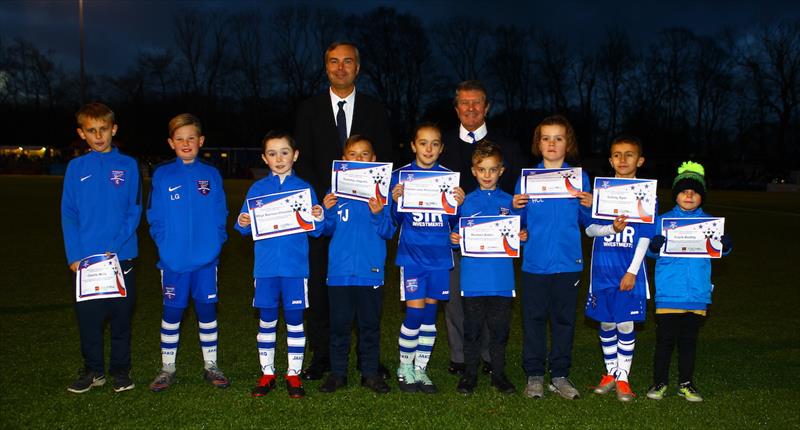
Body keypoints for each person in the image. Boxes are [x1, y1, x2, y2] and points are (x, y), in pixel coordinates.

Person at [294, 41, 393, 381]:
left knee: (366, 294)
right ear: (326, 67)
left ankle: (369, 360)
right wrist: (322, 200)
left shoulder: (376, 109)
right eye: (334, 62)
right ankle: (322, 356)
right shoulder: (308, 109)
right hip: (326, 210)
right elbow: (302, 160)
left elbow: (383, 160)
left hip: (365, 214)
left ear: (357, 67)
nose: (340, 67)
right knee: (321, 289)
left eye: (347, 61)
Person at [439, 80, 524, 376]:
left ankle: (490, 357)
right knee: (455, 299)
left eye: (477, 102)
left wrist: (517, 227)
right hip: (455, 236)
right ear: (456, 108)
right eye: (464, 102)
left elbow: (517, 195)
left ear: (487, 107)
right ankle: (460, 356)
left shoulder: (508, 146)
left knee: (491, 301)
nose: (471, 108)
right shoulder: (443, 144)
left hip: (496, 243)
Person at [235, 131, 325, 399]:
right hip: (265, 269)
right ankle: (267, 372)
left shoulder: (305, 189)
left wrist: (319, 217)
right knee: (267, 321)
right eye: (272, 153)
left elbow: (317, 231)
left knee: (295, 321)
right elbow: (242, 227)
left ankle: (294, 374)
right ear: (264, 158)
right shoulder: (257, 189)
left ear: (295, 155)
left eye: (284, 152)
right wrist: (242, 223)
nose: (279, 158)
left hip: (295, 270)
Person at [146, 114, 229, 392]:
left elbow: (221, 213)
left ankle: (211, 365)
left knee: (207, 312)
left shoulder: (211, 174)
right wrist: (165, 244)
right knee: (173, 312)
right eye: (179, 138)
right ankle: (167, 367)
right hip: (174, 261)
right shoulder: (162, 174)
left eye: (191, 137)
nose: (186, 143)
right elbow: (154, 216)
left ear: (201, 141)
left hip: (206, 261)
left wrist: (216, 243)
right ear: (171, 143)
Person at [61, 102, 140, 393]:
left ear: (113, 129)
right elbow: (68, 213)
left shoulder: (129, 165)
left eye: (103, 129)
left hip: (121, 257)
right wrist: (74, 256)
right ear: (82, 133)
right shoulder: (75, 167)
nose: (98, 135)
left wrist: (114, 247)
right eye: (91, 130)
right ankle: (93, 370)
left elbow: (134, 210)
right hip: (86, 262)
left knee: (121, 318)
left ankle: (121, 370)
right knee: (89, 321)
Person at [512, 115, 593, 400]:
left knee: (564, 321)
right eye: (546, 137)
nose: (552, 143)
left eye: (558, 138)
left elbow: (588, 222)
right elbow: (517, 224)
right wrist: (516, 210)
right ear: (538, 143)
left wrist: (589, 204)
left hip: (568, 263)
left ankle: (560, 375)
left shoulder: (579, 178)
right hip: (534, 263)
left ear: (567, 143)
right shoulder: (526, 179)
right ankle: (534, 375)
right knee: (533, 320)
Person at [645, 161, 732, 402]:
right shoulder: (662, 221)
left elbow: (720, 252)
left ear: (702, 197)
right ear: (676, 195)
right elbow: (650, 253)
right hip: (669, 292)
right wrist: (654, 247)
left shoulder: (710, 224)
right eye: (684, 191)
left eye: (694, 192)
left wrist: (725, 246)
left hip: (697, 293)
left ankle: (686, 383)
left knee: (688, 343)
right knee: (665, 342)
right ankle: (659, 382)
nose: (689, 195)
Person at [390, 123, 465, 394]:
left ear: (441, 148)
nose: (429, 149)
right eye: (423, 143)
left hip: (439, 258)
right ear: (413, 145)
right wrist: (395, 201)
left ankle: (421, 368)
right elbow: (393, 221)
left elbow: (455, 221)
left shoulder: (448, 179)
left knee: (430, 317)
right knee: (414, 314)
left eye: (435, 143)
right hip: (412, 257)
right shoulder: (400, 177)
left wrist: (460, 203)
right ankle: (404, 367)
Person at [318, 136, 395, 394]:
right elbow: (324, 230)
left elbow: (388, 232)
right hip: (339, 273)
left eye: (365, 154)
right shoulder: (335, 192)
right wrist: (327, 211)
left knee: (369, 326)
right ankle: (338, 373)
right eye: (353, 154)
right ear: (344, 160)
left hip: (369, 272)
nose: (359, 159)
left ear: (373, 159)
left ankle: (370, 374)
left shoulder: (381, 196)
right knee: (339, 325)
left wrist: (378, 214)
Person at [449, 141, 527, 395]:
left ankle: (499, 374)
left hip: (502, 281)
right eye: (482, 169)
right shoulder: (465, 203)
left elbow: (521, 230)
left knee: (499, 332)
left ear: (501, 171)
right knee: (471, 331)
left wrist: (522, 235)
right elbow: (452, 230)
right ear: (473, 171)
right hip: (472, 280)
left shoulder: (512, 203)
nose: (487, 175)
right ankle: (469, 376)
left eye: (492, 170)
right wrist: (453, 238)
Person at [584, 135, 655, 401]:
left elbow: (646, 236)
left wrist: (633, 271)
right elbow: (590, 229)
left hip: (629, 270)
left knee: (625, 324)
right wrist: (610, 228)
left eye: (629, 154)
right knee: (606, 321)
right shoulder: (601, 192)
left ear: (640, 160)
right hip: (602, 270)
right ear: (610, 159)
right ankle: (611, 373)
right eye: (616, 154)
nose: (622, 160)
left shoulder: (646, 193)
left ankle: (623, 377)